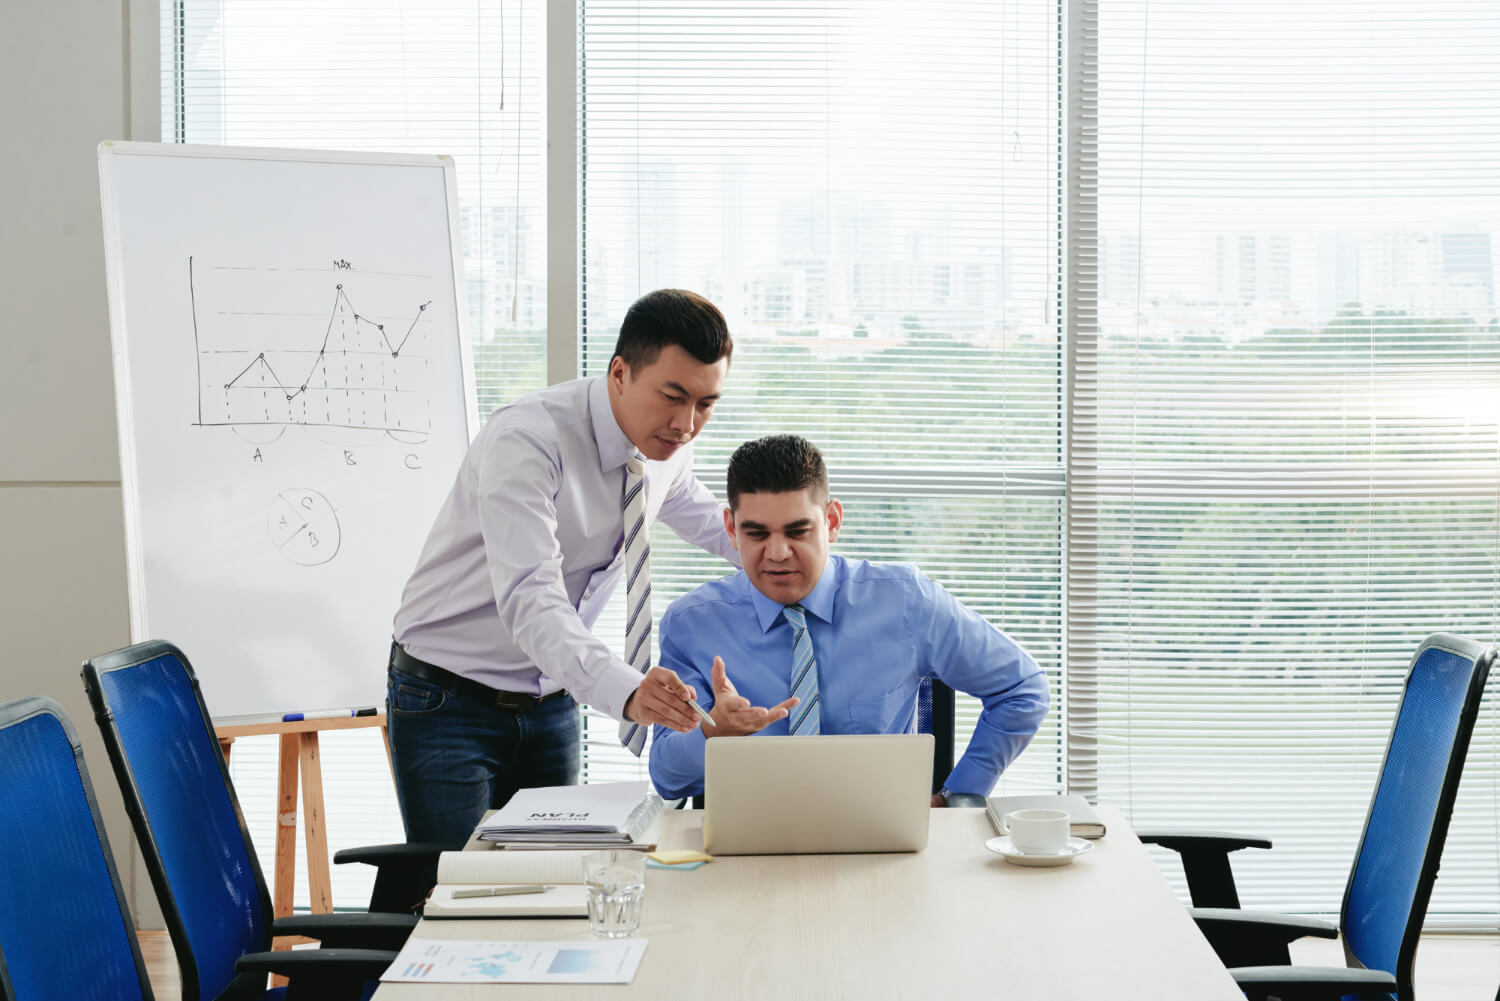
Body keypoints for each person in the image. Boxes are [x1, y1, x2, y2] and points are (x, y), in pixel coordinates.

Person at [388, 289, 742, 844]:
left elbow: (704, 516)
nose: (686, 422)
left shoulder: (666, 446)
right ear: (620, 373)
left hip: (553, 701)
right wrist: (626, 690)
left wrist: (792, 554)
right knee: (457, 892)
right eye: (673, 396)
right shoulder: (528, 440)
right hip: (449, 700)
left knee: (552, 885)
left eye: (706, 403)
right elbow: (532, 598)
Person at [647, 434, 1049, 804]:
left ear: (832, 522)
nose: (778, 552)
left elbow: (1022, 688)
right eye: (756, 534)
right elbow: (668, 778)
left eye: (797, 531)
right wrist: (711, 733)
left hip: (881, 841)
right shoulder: (692, 625)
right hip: (746, 851)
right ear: (731, 530)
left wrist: (958, 796)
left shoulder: (906, 601)